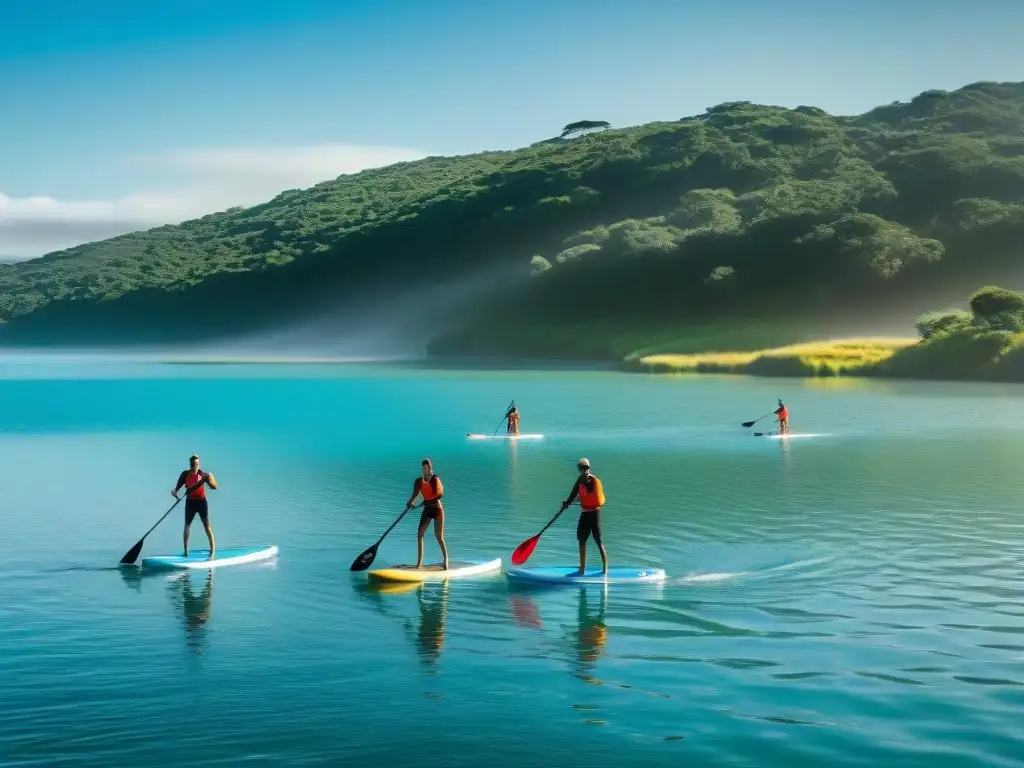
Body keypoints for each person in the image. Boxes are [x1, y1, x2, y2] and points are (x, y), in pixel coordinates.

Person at [560, 457, 607, 576]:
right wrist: (567, 503)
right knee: (581, 540)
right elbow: (573, 494)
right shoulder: (579, 481)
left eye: (586, 468)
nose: (585, 471)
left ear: (588, 469)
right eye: (583, 469)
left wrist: (570, 500)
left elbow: (589, 494)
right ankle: (582, 569)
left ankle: (605, 569)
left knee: (598, 541)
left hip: (595, 513)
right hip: (585, 513)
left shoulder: (594, 481)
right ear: (580, 469)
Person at [172, 454, 218, 559]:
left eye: (197, 463)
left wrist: (210, 479)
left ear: (199, 464)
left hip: (201, 502)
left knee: (207, 527)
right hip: (190, 503)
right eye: (193, 464)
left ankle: (212, 552)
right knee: (187, 526)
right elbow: (177, 488)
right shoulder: (185, 474)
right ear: (190, 464)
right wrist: (174, 492)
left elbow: (214, 487)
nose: (195, 465)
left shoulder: (203, 475)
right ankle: (185, 552)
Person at [406, 458, 449, 570]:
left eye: (425, 468)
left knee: (439, 537)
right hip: (427, 510)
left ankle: (445, 560)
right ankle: (419, 563)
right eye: (422, 468)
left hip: (437, 509)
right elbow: (415, 494)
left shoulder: (435, 479)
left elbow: (439, 494)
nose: (423, 470)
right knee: (420, 534)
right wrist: (410, 503)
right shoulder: (419, 481)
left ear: (430, 468)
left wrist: (425, 502)